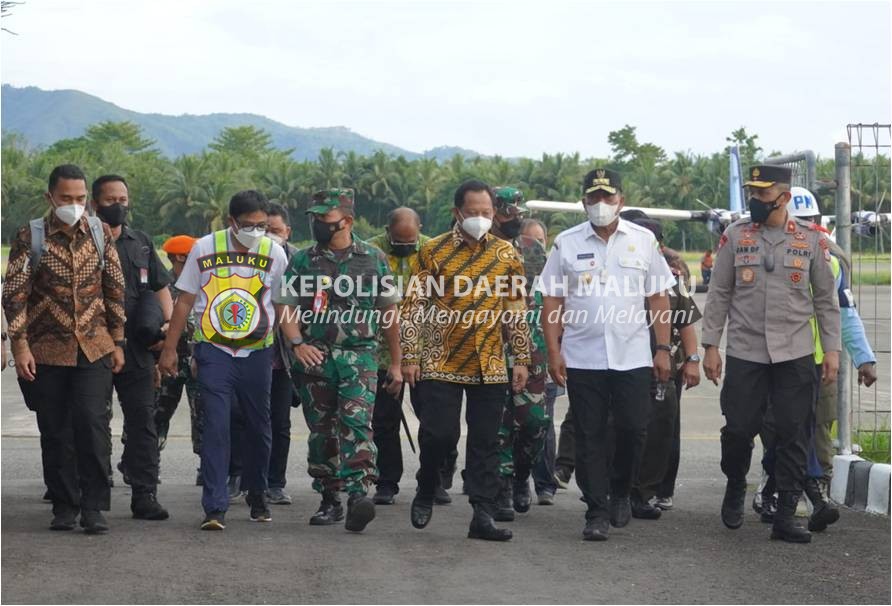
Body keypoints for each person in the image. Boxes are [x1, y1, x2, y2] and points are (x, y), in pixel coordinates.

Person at [701, 165, 840, 543]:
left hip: (794, 353)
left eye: (762, 194)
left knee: (794, 433)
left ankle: (785, 515)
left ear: (782, 197)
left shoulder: (811, 240)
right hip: (747, 351)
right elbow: (719, 294)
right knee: (739, 428)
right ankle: (734, 485)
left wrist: (832, 350)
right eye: (753, 193)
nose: (754, 201)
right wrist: (711, 345)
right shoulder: (735, 236)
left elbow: (827, 301)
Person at [539, 168, 675, 542]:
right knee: (589, 434)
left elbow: (658, 296)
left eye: (608, 198)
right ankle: (596, 510)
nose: (601, 205)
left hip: (633, 355)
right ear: (583, 202)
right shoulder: (565, 243)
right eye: (594, 198)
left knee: (633, 428)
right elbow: (552, 298)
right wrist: (554, 351)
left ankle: (621, 491)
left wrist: (662, 348)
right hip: (583, 357)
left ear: (621, 201)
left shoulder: (644, 241)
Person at [402, 179, 530, 542]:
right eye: (472, 212)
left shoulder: (507, 254)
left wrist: (520, 356)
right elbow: (412, 307)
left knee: (487, 442)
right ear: (457, 213)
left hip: (489, 362)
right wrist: (410, 355)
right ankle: (426, 486)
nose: (480, 218)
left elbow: (515, 308)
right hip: (440, 359)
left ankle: (482, 514)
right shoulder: (432, 253)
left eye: (486, 213)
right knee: (438, 435)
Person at [3, 164, 126, 533]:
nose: (74, 204)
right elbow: (14, 295)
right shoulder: (31, 236)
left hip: (94, 347)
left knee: (92, 425)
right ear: (50, 198)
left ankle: (93, 506)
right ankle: (64, 504)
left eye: (80, 198)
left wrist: (118, 340)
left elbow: (114, 289)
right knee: (55, 430)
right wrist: (20, 345)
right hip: (46, 350)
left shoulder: (100, 233)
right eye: (66, 198)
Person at [158, 190, 288, 531]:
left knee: (260, 428)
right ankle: (214, 507)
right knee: (216, 425)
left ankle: (257, 493)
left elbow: (283, 304)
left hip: (258, 352)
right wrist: (170, 350)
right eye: (249, 225)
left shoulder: (273, 251)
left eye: (262, 225)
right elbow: (184, 301)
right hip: (214, 351)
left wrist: (298, 343)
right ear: (232, 222)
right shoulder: (204, 247)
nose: (256, 231)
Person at [276, 188, 402, 533]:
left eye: (324, 219)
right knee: (322, 432)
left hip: (360, 357)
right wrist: (297, 343)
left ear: (345, 221)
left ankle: (358, 495)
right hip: (316, 358)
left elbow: (389, 312)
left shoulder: (374, 258)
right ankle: (329, 497)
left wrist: (395, 363)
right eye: (314, 218)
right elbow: (284, 305)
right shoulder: (303, 260)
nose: (317, 224)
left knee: (358, 424)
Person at [756, 186, 877, 532]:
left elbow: (844, 314)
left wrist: (863, 357)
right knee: (779, 430)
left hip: (818, 364)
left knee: (815, 434)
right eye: (801, 222)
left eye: (812, 223)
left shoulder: (831, 259)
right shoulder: (763, 254)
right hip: (774, 360)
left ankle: (812, 495)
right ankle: (782, 490)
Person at [92, 175, 172, 521]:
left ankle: (144, 493)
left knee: (143, 420)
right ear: (95, 204)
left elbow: (159, 287)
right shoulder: (83, 244)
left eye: (123, 199)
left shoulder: (140, 242)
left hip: (137, 347)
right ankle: (90, 491)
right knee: (91, 421)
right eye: (111, 199)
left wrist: (170, 331)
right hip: (94, 346)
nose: (119, 205)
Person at [622, 213, 701, 519]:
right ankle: (619, 489)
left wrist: (692, 361)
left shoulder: (672, 275)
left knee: (662, 430)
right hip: (622, 362)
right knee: (624, 427)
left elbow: (686, 322)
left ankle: (651, 491)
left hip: (665, 364)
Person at [490, 187, 551, 520]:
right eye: (509, 213)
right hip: (489, 349)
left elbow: (550, 298)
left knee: (534, 422)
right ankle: (501, 489)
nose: (516, 219)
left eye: (519, 214)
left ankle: (521, 474)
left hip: (531, 347)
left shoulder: (533, 251)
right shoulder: (477, 251)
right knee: (498, 425)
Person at [367, 208, 432, 505]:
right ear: (387, 231)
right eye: (399, 242)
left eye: (411, 241)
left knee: (433, 419)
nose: (405, 248)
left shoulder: (433, 250)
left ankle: (433, 479)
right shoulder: (370, 252)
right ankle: (386, 481)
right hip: (382, 349)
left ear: (420, 228)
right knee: (384, 420)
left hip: (426, 349)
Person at [154, 235, 203, 485]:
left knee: (203, 414)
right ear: (179, 258)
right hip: (168, 359)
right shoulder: (162, 285)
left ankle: (207, 466)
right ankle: (148, 462)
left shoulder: (205, 281)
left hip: (197, 359)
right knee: (158, 412)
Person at [523, 219, 563, 506]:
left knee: (544, 421)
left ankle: (545, 482)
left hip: (546, 359)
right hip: (513, 359)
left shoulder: (556, 272)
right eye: (529, 240)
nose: (534, 246)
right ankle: (517, 481)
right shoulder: (511, 273)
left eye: (539, 240)